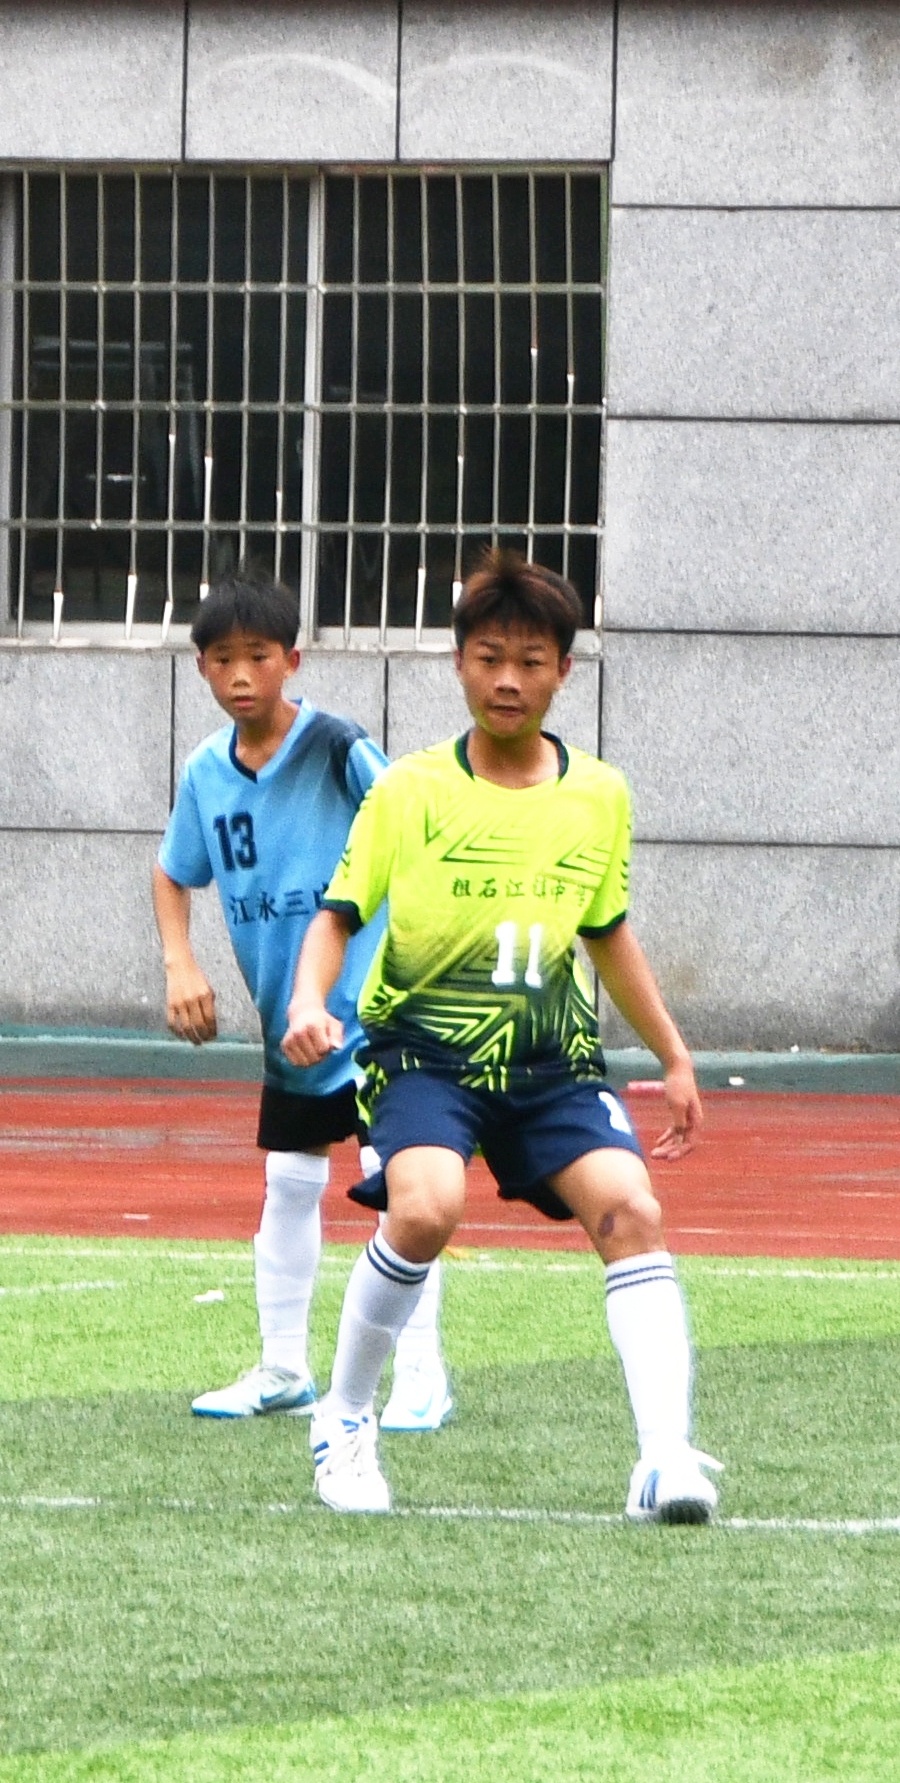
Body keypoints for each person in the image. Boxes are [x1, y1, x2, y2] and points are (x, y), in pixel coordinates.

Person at [281, 550, 716, 1522]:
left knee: (630, 1210)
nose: (507, 678)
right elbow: (338, 911)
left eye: (529, 659)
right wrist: (309, 1000)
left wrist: (673, 1054)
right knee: (425, 1206)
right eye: (487, 656)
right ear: (458, 664)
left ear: (563, 669)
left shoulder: (598, 795)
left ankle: (662, 1460)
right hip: (419, 1052)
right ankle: (343, 1416)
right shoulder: (408, 790)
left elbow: (606, 934)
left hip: (549, 1061)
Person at [155, 573, 450, 1429]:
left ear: (292, 660)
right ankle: (283, 1367)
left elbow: (408, 826)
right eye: (220, 659)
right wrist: (180, 963)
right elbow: (173, 872)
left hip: (373, 1005)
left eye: (256, 656)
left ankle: (420, 1372)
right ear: (202, 670)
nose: (240, 673)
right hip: (287, 1016)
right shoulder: (205, 772)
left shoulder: (334, 745)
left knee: (395, 1177)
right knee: (289, 1178)